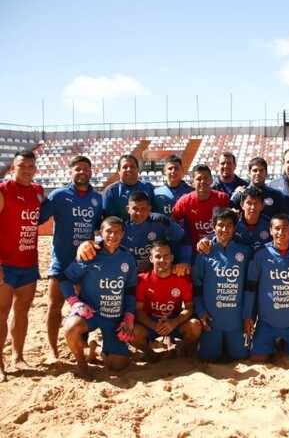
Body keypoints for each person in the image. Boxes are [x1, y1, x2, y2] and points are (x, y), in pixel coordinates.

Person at [38, 155, 103, 364]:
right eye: (77, 168)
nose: (82, 172)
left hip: (85, 262)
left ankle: (83, 344)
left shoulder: (97, 198)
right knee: (54, 305)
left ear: (91, 172)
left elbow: (100, 227)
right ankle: (52, 350)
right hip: (61, 261)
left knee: (83, 306)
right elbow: (38, 217)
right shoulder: (58, 195)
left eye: (86, 168)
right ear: (70, 172)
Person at [60, 217, 137, 380]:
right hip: (90, 314)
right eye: (108, 231)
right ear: (100, 232)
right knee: (71, 327)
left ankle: (95, 349)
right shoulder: (90, 254)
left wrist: (129, 316)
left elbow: (130, 290)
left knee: (118, 366)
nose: (112, 235)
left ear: (123, 234)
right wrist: (74, 302)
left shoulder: (127, 258)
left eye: (117, 232)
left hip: (114, 318)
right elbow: (65, 279)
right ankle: (81, 363)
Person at [243, 214, 289, 363]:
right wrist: (248, 316)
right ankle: (273, 342)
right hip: (266, 324)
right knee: (257, 359)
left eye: (284, 229)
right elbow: (250, 288)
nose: (281, 232)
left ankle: (285, 343)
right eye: (277, 228)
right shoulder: (261, 254)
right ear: (270, 230)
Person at [0, 150, 44, 381]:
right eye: (21, 166)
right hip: (4, 263)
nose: (26, 170)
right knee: (1, 313)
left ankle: (17, 356)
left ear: (35, 169)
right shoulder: (4, 191)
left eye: (30, 166)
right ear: (12, 168)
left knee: (22, 313)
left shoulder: (37, 191)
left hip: (29, 261)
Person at [192, 208, 252, 361]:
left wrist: (248, 315)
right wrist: (200, 311)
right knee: (208, 358)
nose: (224, 229)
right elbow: (197, 286)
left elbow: (250, 288)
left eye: (229, 225)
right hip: (212, 321)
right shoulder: (204, 254)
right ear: (213, 227)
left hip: (236, 320)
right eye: (220, 225)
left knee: (241, 356)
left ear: (235, 228)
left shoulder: (245, 252)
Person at [130, 241, 201, 362]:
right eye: (158, 256)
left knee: (195, 326)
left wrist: (173, 322)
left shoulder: (182, 278)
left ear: (172, 258)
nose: (162, 259)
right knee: (131, 333)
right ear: (151, 259)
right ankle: (150, 353)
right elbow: (138, 310)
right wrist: (153, 325)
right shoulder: (142, 279)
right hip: (151, 321)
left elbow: (189, 308)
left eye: (166, 256)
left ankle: (182, 352)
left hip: (174, 320)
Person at [172, 164, 229, 260]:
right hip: (195, 252)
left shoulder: (222, 198)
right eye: (198, 179)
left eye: (206, 178)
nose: (202, 181)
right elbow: (173, 221)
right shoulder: (184, 201)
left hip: (219, 250)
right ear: (192, 182)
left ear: (211, 180)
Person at [102, 154, 155, 220]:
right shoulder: (110, 191)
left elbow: (154, 213)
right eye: (125, 167)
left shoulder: (149, 188)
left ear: (137, 169)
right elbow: (109, 220)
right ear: (119, 171)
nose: (129, 169)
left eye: (132, 166)